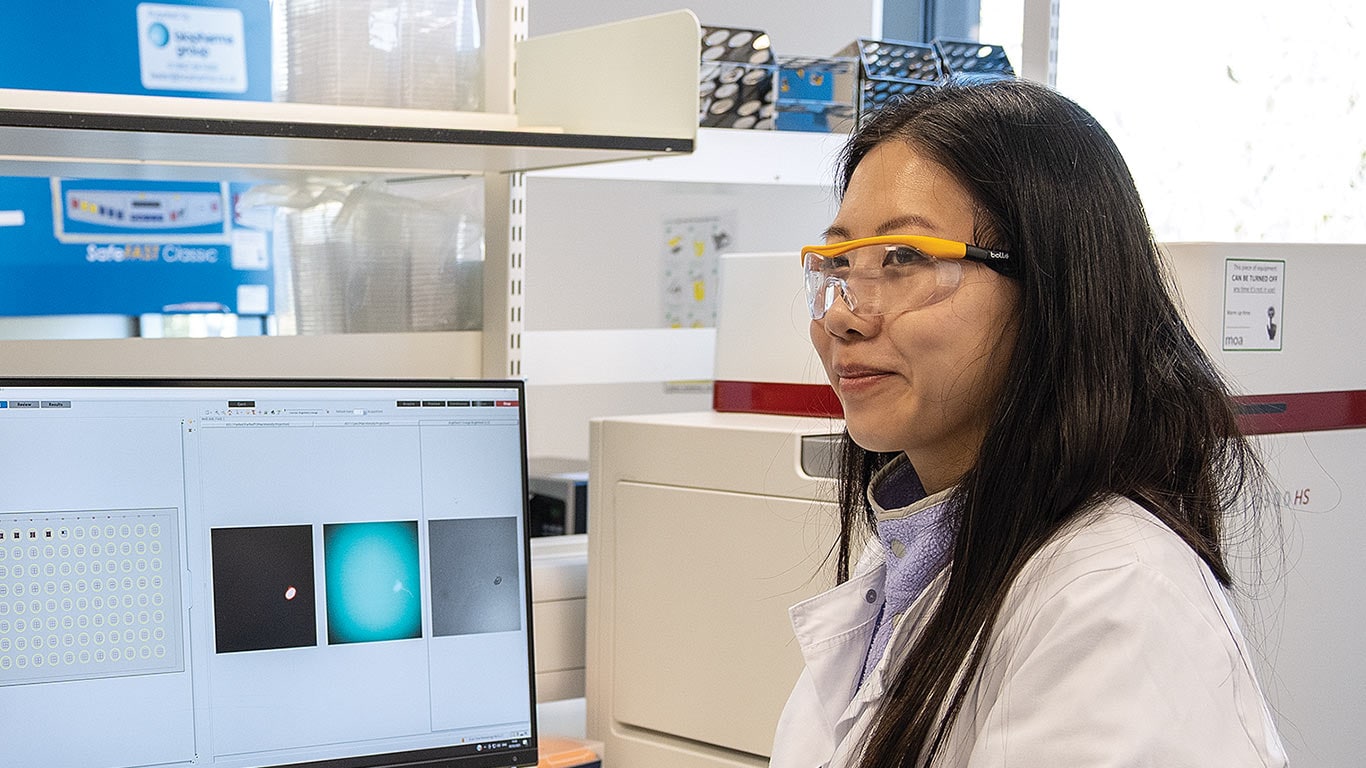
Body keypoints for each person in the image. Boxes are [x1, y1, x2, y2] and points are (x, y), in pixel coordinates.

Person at [770, 78, 1286, 767]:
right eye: (838, 263)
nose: (842, 314)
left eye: (905, 260)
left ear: (1052, 287)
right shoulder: (919, 559)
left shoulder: (1113, 597)